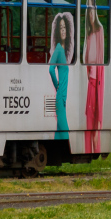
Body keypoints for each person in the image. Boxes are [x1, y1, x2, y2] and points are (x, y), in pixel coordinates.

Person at [83, 0, 105, 153]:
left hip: (97, 82)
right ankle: (87, 150)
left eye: (93, 10)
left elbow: (101, 61)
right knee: (87, 123)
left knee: (95, 123)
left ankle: (96, 148)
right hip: (90, 82)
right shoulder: (89, 34)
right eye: (88, 10)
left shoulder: (99, 31)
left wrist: (96, 82)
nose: (91, 14)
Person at [49, 11, 74, 142]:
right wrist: (57, 86)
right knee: (65, 132)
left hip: (63, 98)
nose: (63, 30)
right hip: (60, 97)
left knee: (59, 132)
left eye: (64, 27)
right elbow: (51, 69)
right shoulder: (58, 49)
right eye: (61, 28)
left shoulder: (65, 50)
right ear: (57, 31)